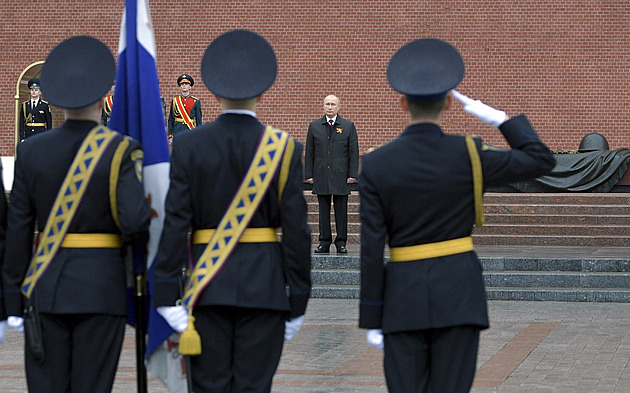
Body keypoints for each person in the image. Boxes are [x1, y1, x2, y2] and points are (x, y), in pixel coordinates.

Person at [358, 38, 555, 393]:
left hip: (402, 298)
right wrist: (498, 119)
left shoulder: (375, 163)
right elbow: (541, 159)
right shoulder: (469, 153)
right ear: (450, 102)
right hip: (459, 295)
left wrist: (372, 315)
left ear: (401, 102)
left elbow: (371, 247)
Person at [153, 29, 311, 393]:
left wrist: (165, 292)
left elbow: (176, 221)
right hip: (266, 289)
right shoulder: (285, 147)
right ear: (263, 89)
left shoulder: (190, 145)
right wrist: (298, 297)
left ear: (213, 88)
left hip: (207, 287)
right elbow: (297, 231)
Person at [2, 36, 150, 393]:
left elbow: (18, 231)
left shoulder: (32, 152)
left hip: (45, 286)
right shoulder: (121, 149)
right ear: (103, 98)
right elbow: (134, 223)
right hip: (103, 289)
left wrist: (10, 303)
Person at [304, 94, 359, 254]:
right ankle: (324, 241)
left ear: (338, 107)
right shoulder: (314, 126)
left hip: (341, 175)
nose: (329, 107)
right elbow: (309, 152)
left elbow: (353, 152)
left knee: (341, 211)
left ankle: (341, 242)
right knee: (323, 211)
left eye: (332, 104)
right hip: (321, 175)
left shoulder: (348, 126)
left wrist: (352, 173)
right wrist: (309, 174)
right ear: (323, 106)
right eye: (327, 104)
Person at [167, 74, 202, 141]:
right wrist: (170, 133)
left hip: (190, 130)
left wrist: (198, 134)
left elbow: (198, 120)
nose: (184, 85)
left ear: (190, 87)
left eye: (186, 84)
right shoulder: (175, 101)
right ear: (180, 86)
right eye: (182, 84)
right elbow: (171, 118)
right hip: (177, 130)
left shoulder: (196, 101)